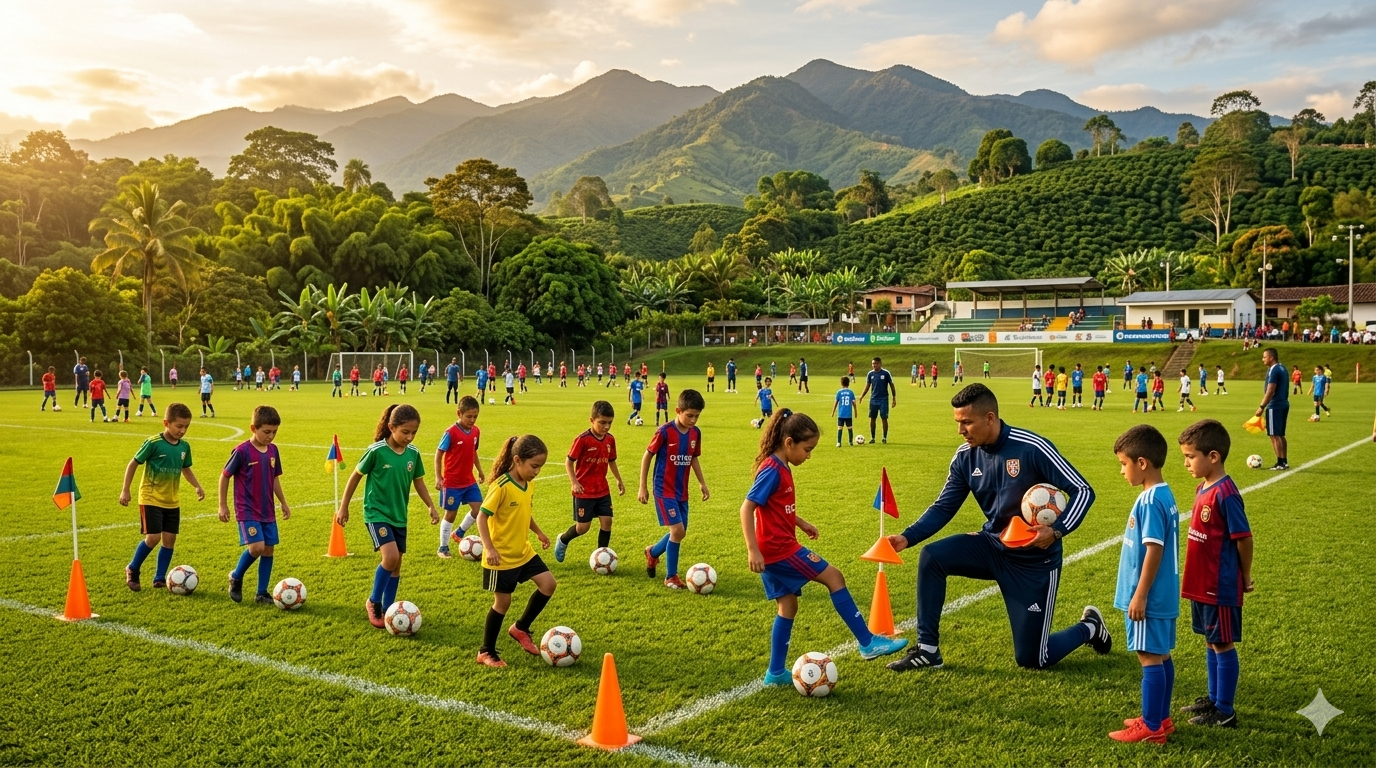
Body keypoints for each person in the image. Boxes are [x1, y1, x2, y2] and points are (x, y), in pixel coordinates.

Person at [885, 384, 1109, 673]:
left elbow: (1082, 490)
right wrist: (907, 536)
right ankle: (928, 650)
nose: (961, 430)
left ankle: (1089, 627)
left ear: (989, 418)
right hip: (993, 545)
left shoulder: (1032, 447)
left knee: (1033, 658)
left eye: (966, 422)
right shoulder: (965, 456)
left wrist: (1056, 531)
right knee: (933, 557)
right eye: (958, 423)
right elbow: (944, 506)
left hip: (1034, 561)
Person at [743, 409, 910, 688]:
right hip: (779, 549)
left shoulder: (778, 466)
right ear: (788, 443)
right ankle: (867, 642)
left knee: (788, 605)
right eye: (807, 450)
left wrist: (801, 522)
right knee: (834, 576)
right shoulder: (772, 470)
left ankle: (774, 673)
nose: (808, 456)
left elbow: (775, 507)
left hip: (776, 547)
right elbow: (747, 508)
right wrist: (753, 550)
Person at [1177, 419, 1253, 727]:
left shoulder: (1226, 493)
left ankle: (1226, 710)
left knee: (1222, 643)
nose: (1186, 463)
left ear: (1213, 457)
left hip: (1219, 585)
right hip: (1200, 582)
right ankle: (1213, 698)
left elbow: (1244, 538)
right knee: (1211, 640)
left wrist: (1244, 576)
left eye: (1190, 456)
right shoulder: (1203, 487)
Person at [336, 404, 439, 628]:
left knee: (397, 564)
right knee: (390, 557)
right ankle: (373, 602)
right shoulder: (376, 451)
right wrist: (344, 507)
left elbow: (418, 481)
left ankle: (389, 609)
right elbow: (355, 476)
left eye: (414, 432)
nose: (409, 437)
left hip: (398, 515)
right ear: (391, 427)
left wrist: (430, 505)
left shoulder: (414, 454)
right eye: (405, 432)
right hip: (376, 513)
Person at [1108, 425, 1180, 743]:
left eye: (1124, 464)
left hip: (1148, 598)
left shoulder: (1150, 500)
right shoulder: (1164, 493)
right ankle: (1161, 719)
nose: (1122, 471)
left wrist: (1139, 594)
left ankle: (1151, 728)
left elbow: (1154, 549)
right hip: (1163, 594)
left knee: (1148, 655)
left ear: (1141, 463)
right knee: (1161, 654)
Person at [476, 435, 556, 667]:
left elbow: (524, 512)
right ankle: (486, 652)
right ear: (517, 460)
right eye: (534, 466)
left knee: (548, 584)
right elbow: (482, 517)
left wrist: (539, 532)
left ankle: (520, 628)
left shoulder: (528, 484)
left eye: (540, 466)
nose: (537, 471)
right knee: (503, 603)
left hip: (523, 551)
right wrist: (489, 548)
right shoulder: (500, 486)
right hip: (500, 557)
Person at [120, 402, 206, 591]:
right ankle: (132, 569)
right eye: (179, 426)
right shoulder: (153, 443)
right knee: (153, 538)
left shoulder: (184, 446)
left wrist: (197, 486)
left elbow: (185, 468)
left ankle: (159, 577)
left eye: (186, 427)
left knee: (169, 539)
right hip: (150, 497)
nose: (183, 431)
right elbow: (133, 464)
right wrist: (126, 490)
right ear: (166, 423)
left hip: (171, 500)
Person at [219, 405, 292, 605]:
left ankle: (262, 593)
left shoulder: (273, 451)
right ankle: (236, 575)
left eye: (274, 432)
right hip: (247, 510)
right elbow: (224, 476)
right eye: (266, 432)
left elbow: (275, 478)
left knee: (269, 550)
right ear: (254, 428)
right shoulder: (242, 451)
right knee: (257, 547)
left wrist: (283, 502)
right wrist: (222, 505)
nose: (271, 436)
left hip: (267, 510)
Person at [639, 389, 710, 589]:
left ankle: (652, 553)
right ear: (678, 410)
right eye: (690, 415)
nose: (693, 420)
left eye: (697, 416)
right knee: (677, 530)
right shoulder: (664, 431)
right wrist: (642, 486)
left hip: (682, 491)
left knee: (680, 532)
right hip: (663, 490)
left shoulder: (696, 433)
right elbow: (647, 456)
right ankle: (671, 576)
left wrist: (702, 483)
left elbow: (693, 457)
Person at [555, 401, 625, 563]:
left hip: (602, 489)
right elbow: (568, 462)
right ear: (592, 420)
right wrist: (574, 482)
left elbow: (612, 461)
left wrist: (618, 479)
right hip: (584, 491)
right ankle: (563, 539)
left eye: (609, 423)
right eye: (602, 422)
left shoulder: (610, 440)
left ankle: (601, 558)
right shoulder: (583, 440)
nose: (606, 427)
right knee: (582, 528)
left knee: (607, 522)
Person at [435, 396, 486, 558]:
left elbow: (473, 452)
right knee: (451, 514)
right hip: (452, 482)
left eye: (475, 416)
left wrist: (479, 470)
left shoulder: (476, 431)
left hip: (468, 481)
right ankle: (443, 547)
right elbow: (438, 455)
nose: (472, 420)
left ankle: (459, 532)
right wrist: (438, 477)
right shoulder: (450, 433)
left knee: (479, 509)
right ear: (459, 413)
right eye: (469, 416)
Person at [1257, 348, 1289, 470]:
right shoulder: (1282, 368)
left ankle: (1280, 463)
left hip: (1274, 405)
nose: (1263, 359)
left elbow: (1271, 389)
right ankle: (1284, 461)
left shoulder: (1274, 370)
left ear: (1271, 357)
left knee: (1274, 435)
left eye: (1264, 357)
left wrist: (1262, 407)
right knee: (1280, 434)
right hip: (1283, 403)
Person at [857, 356, 897, 444]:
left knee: (884, 418)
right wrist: (862, 396)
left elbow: (891, 385)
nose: (874, 365)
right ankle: (872, 438)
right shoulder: (870, 374)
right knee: (872, 418)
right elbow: (867, 386)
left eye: (876, 363)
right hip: (873, 399)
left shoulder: (886, 373)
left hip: (883, 399)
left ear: (880, 364)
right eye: (873, 363)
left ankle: (884, 437)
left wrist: (894, 398)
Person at [832, 376, 857, 447]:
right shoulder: (851, 392)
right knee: (850, 428)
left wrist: (833, 412)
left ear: (841, 383)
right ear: (849, 383)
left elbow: (836, 402)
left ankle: (839, 442)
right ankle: (850, 442)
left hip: (841, 414)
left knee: (840, 428)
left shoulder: (839, 392)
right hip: (848, 414)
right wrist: (855, 412)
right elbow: (854, 403)